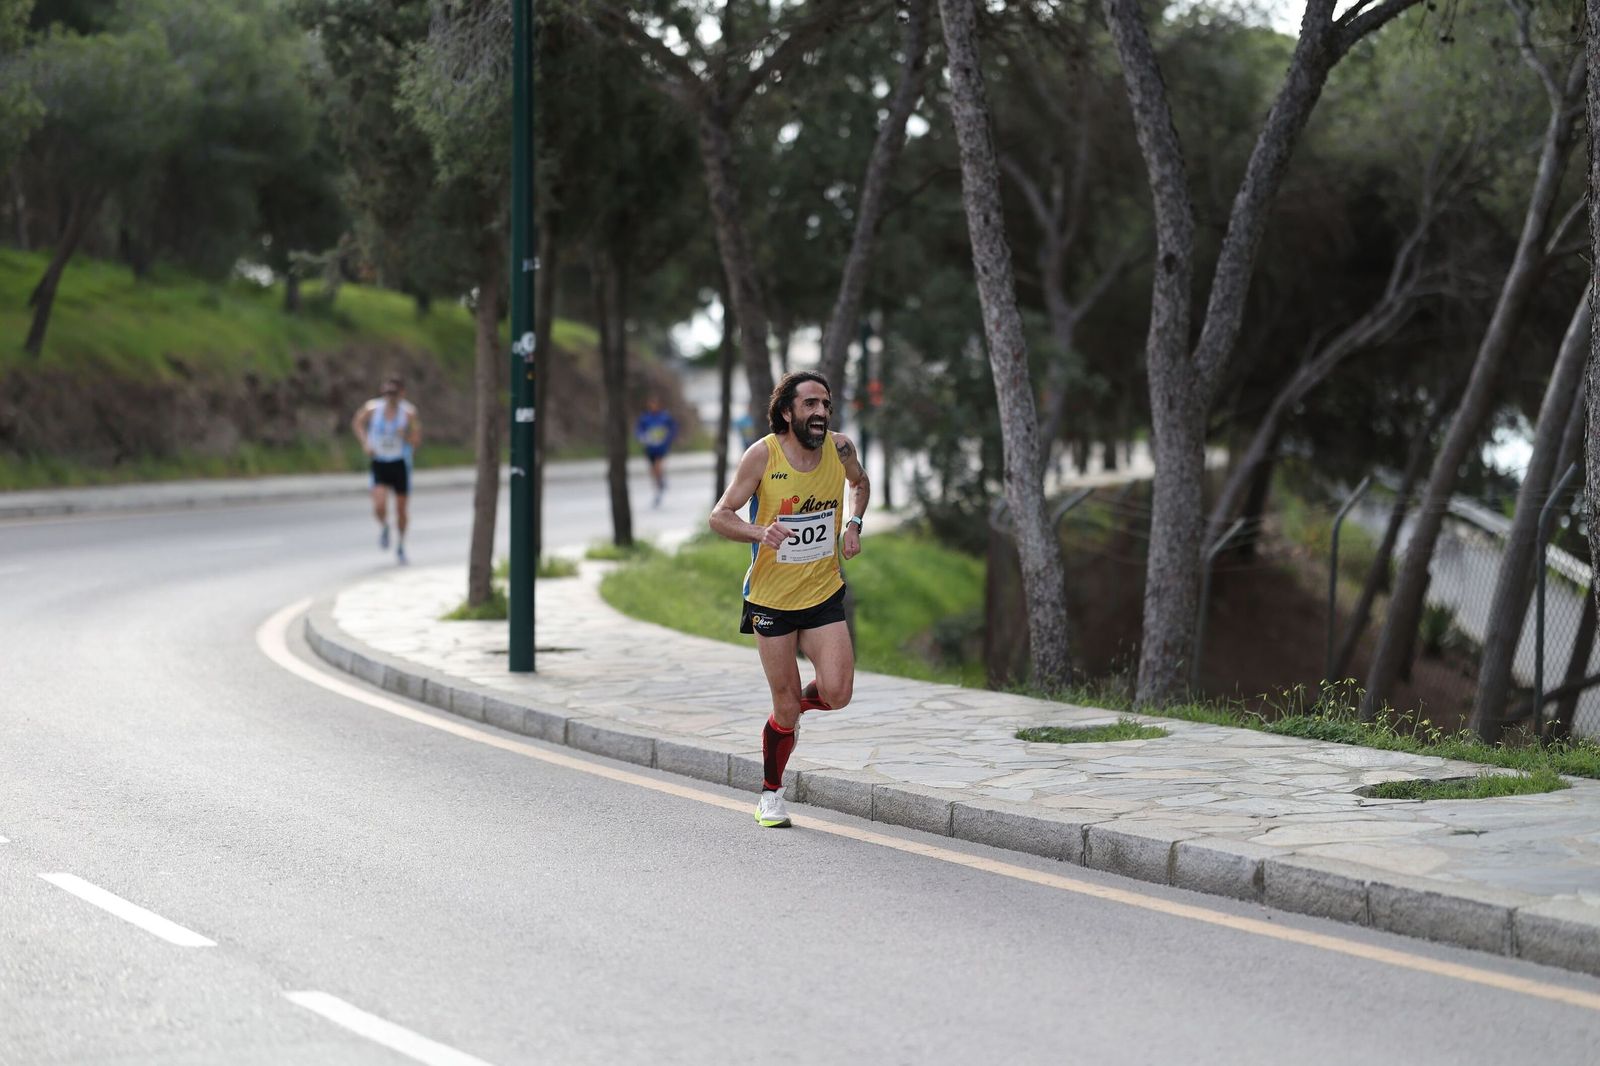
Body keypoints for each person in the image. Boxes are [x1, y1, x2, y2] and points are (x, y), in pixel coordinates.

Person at [709, 371, 870, 828]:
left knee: (837, 693)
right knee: (784, 708)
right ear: (787, 411)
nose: (820, 413)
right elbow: (719, 516)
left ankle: (786, 711)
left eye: (826, 404)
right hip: (770, 600)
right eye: (810, 405)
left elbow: (861, 484)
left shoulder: (840, 449)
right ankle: (771, 794)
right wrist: (761, 532)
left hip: (822, 592)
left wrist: (853, 525)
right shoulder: (762, 455)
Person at [351, 375, 422, 563]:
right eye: (386, 392)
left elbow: (416, 439)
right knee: (379, 504)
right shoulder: (372, 408)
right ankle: (384, 526)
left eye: (393, 392)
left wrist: (405, 436)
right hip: (380, 462)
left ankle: (401, 544)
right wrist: (366, 443)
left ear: (401, 393)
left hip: (399, 463)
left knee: (401, 509)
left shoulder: (409, 413)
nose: (389, 396)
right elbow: (357, 423)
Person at [635, 396, 678, 507]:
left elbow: (673, 428)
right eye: (651, 404)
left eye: (654, 404)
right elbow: (639, 430)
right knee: (653, 471)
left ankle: (660, 484)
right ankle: (659, 485)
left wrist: (667, 439)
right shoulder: (645, 418)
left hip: (661, 448)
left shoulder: (664, 417)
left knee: (658, 467)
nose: (652, 406)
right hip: (650, 448)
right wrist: (642, 438)